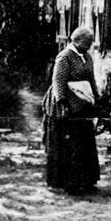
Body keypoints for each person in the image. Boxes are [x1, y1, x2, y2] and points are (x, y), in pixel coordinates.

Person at [42, 26, 101, 195]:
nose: (89, 45)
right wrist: (62, 103)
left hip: (83, 104)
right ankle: (67, 182)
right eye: (87, 42)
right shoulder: (65, 57)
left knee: (84, 144)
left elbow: (91, 79)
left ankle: (86, 180)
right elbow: (58, 81)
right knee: (68, 145)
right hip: (66, 105)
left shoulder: (87, 57)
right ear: (77, 41)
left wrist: (96, 98)